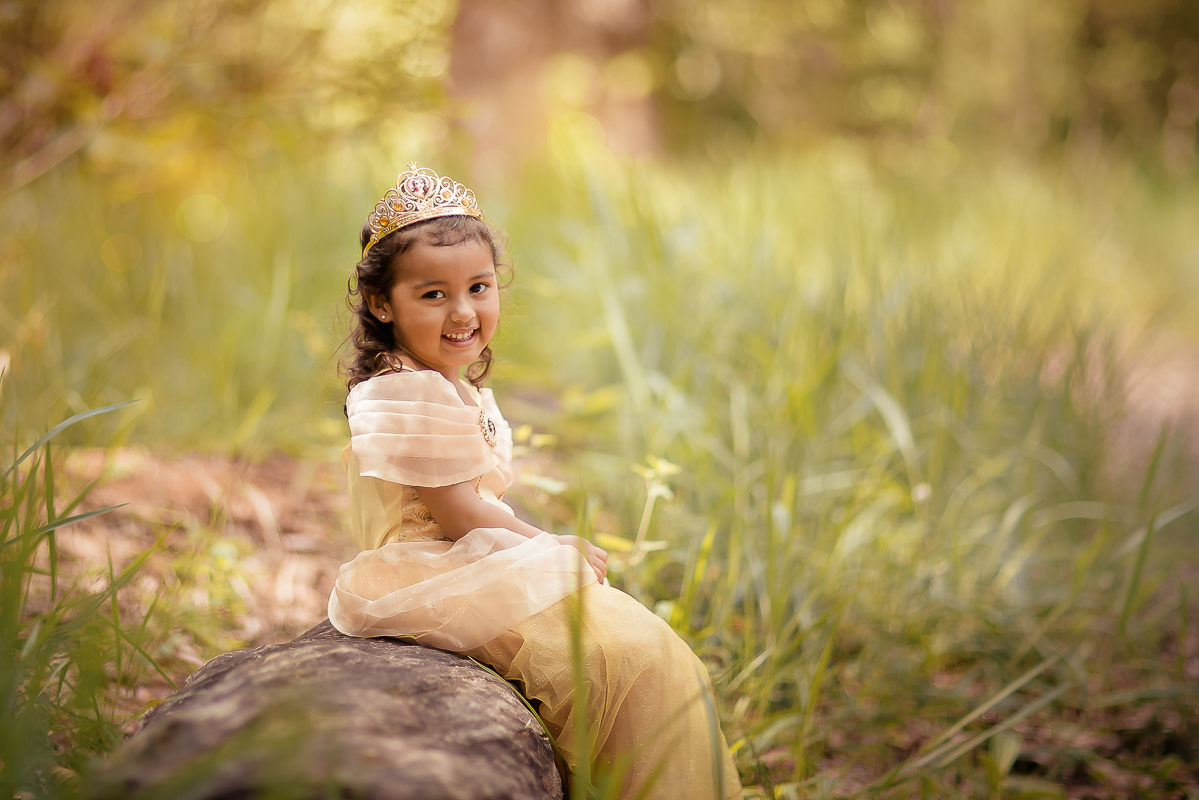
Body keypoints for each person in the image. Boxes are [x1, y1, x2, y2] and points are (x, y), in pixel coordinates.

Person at [327, 163, 743, 799]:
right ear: (382, 303)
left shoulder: (436, 379)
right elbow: (461, 513)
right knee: (633, 659)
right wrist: (547, 544)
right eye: (432, 295)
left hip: (460, 557)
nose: (463, 311)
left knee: (651, 654)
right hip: (429, 566)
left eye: (479, 287)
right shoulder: (404, 388)